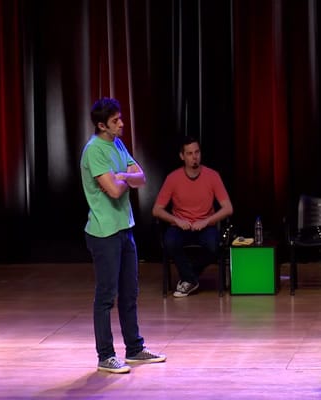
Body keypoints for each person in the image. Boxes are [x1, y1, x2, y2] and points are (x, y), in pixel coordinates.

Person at [80, 97, 166, 373]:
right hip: (104, 232)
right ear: (101, 125)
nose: (122, 124)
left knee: (130, 293)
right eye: (115, 121)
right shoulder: (94, 151)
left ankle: (134, 348)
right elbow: (115, 191)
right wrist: (124, 178)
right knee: (106, 295)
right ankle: (105, 355)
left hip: (124, 228)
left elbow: (141, 177)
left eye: (120, 119)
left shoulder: (117, 143)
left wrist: (121, 176)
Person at [152, 136, 233, 298]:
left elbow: (228, 208)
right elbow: (157, 210)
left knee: (214, 245)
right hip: (181, 226)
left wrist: (206, 221)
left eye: (197, 152)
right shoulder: (173, 178)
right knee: (170, 242)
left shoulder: (212, 176)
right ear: (182, 156)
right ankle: (190, 278)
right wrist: (176, 220)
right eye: (189, 153)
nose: (194, 157)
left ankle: (189, 277)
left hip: (205, 226)